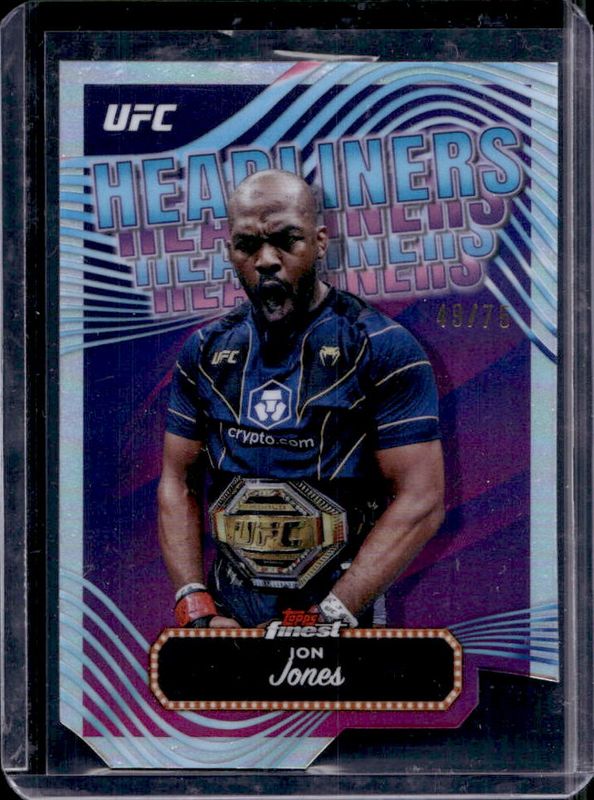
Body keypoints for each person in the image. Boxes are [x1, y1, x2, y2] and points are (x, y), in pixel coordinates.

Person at [158, 169, 444, 629]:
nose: (267, 260)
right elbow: (178, 482)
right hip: (228, 625)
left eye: (286, 240)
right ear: (229, 251)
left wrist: (323, 619)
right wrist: (195, 608)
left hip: (338, 619)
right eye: (248, 245)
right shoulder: (205, 352)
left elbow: (421, 498)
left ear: (320, 241)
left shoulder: (382, 347)